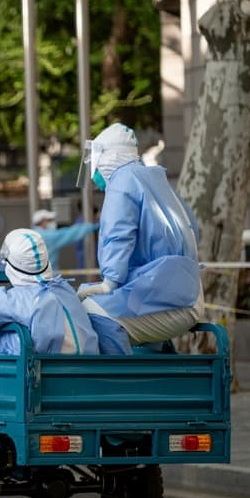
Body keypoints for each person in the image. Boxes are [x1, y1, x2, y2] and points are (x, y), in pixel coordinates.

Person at [75, 122, 203, 355]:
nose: (93, 175)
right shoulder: (153, 178)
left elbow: (118, 234)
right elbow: (193, 227)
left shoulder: (122, 183)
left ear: (107, 157)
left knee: (93, 313)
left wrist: (109, 282)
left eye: (95, 162)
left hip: (169, 296)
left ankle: (121, 378)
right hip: (181, 290)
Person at [0, 228, 99, 356]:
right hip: (87, 367)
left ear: (10, 265)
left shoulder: (15, 299)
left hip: (40, 369)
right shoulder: (65, 289)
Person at [31, 208, 99, 272]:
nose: (52, 222)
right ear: (43, 221)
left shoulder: (32, 234)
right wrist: (94, 226)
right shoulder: (48, 236)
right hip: (47, 275)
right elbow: (71, 233)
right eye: (50, 220)